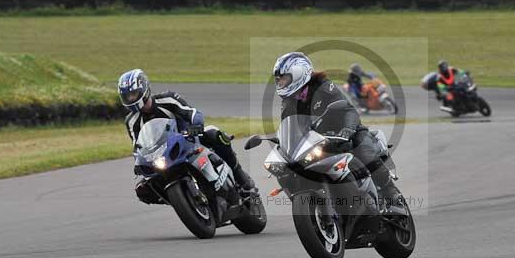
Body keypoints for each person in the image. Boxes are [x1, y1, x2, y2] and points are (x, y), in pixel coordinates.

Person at [273, 52, 399, 204]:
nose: (281, 83)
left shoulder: (323, 87)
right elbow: (289, 127)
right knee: (293, 172)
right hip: (318, 142)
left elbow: (348, 110)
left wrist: (348, 131)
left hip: (347, 133)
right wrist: (284, 146)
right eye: (278, 80)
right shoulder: (288, 102)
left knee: (366, 155)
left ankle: (391, 192)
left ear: (299, 73)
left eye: (285, 78)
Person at [118, 69, 256, 204]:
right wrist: (139, 162)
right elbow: (137, 146)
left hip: (188, 139)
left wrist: (195, 126)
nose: (131, 99)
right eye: (127, 96)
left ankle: (242, 179)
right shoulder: (131, 121)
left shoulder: (168, 98)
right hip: (163, 155)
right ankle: (182, 200)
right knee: (143, 189)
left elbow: (193, 113)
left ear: (144, 89)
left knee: (214, 133)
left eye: (133, 94)